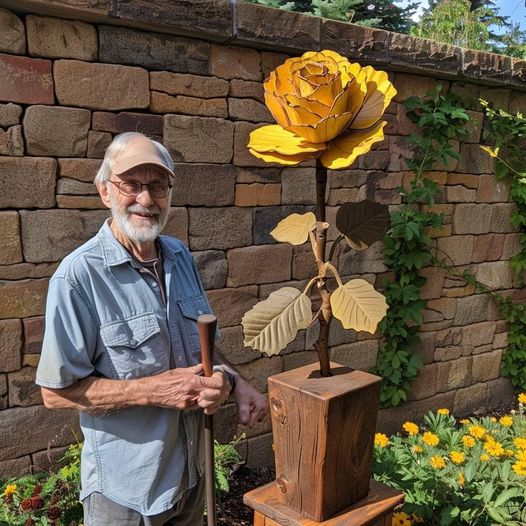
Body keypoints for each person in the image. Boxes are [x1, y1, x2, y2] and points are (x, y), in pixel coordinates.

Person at [36, 132, 268, 526]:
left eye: (157, 186)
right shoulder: (78, 278)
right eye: (132, 184)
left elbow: (203, 346)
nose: (146, 199)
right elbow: (54, 393)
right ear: (105, 190)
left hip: (191, 479)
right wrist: (153, 390)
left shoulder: (179, 255)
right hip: (126, 496)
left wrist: (235, 380)